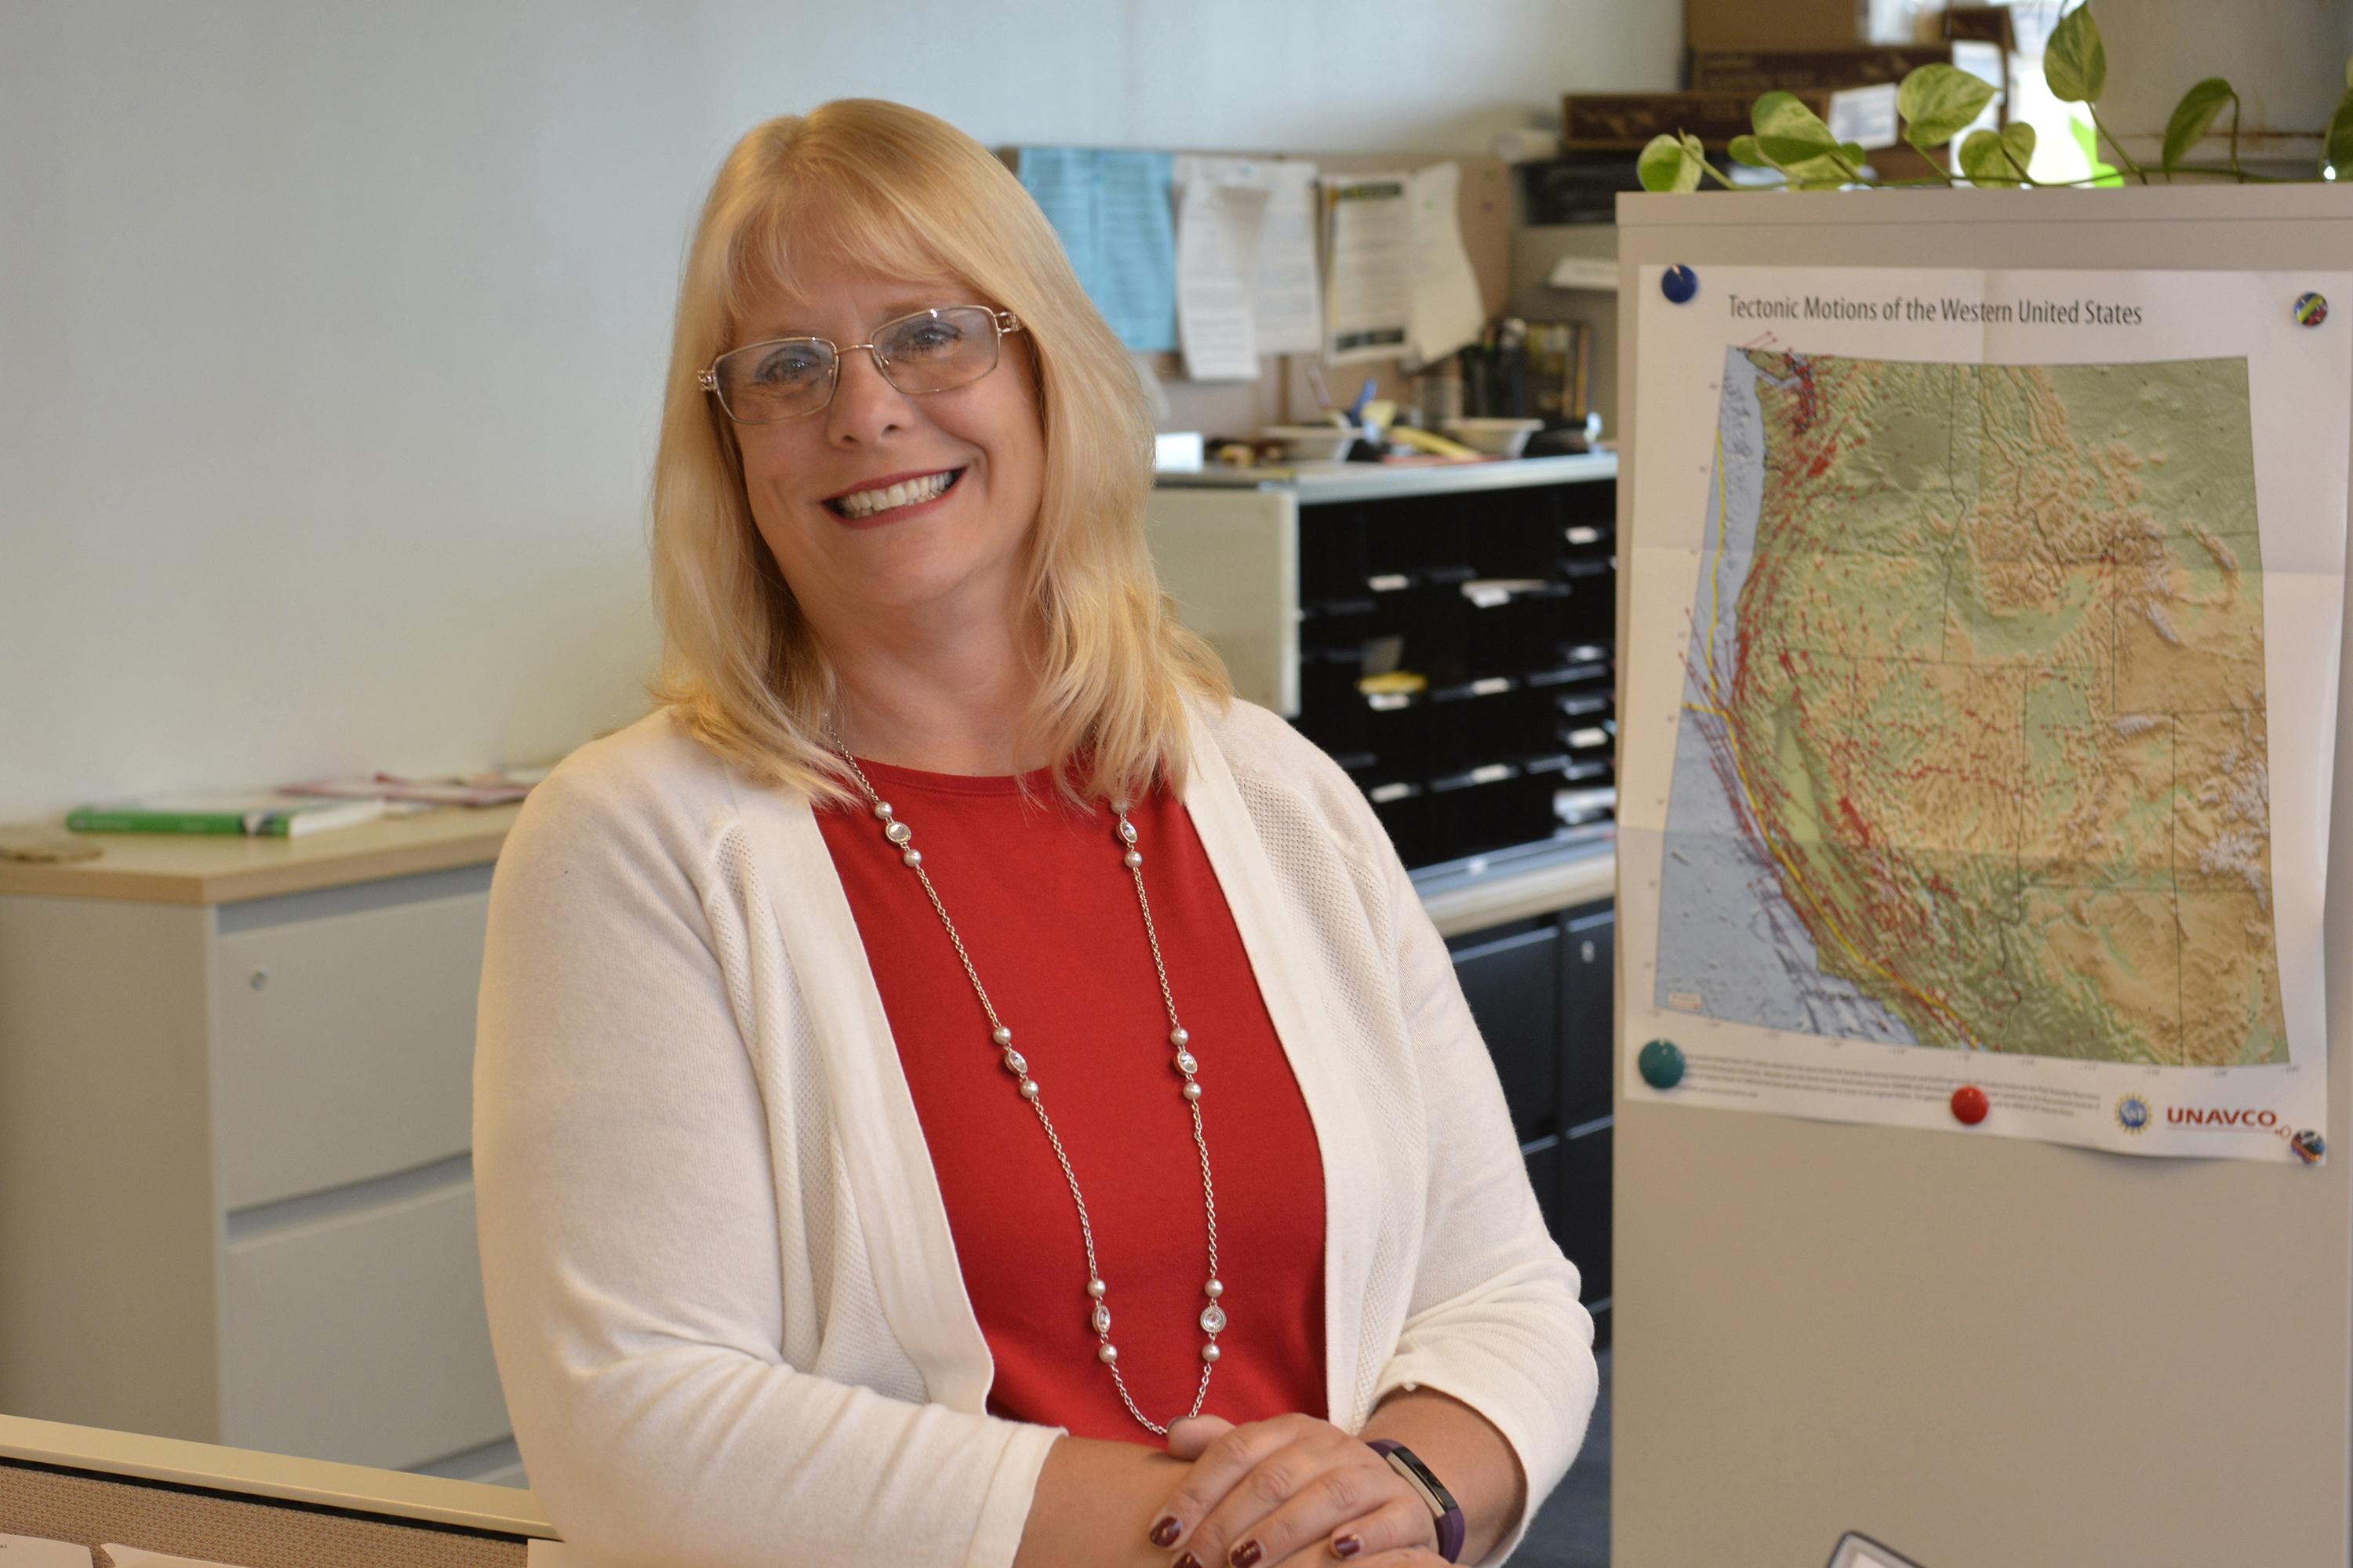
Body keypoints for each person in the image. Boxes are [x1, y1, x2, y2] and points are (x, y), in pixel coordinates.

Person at [472, 99, 1596, 1568]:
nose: (866, 411)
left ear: (1048, 364)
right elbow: (644, 1420)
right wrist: (1231, 1542)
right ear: (728, 446)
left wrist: (1412, 1493)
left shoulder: (1274, 795)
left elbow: (1507, 1296)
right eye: (786, 368)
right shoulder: (638, 846)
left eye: (933, 333)